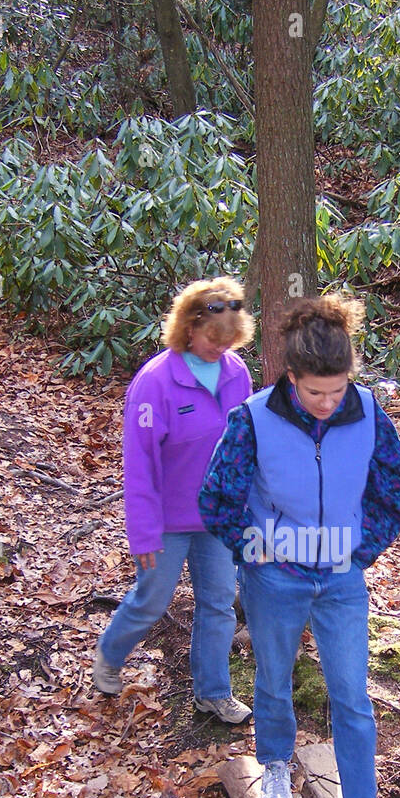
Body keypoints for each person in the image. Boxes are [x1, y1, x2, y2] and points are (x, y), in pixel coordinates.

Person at [199, 295, 400, 798]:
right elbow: (217, 499)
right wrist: (255, 548)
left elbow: (392, 493)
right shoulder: (252, 419)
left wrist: (359, 551)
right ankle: (274, 768)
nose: (326, 402)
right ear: (291, 377)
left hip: (341, 578)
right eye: (314, 392)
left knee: (352, 694)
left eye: (336, 391)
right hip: (275, 578)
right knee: (273, 679)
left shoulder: (369, 414)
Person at [93, 277, 254, 725]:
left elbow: (244, 446)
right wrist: (142, 532)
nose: (219, 348)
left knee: (219, 602)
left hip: (217, 515)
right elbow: (140, 465)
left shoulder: (237, 372)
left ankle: (213, 691)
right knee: (152, 598)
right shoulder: (155, 382)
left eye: (228, 340)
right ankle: (109, 654)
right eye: (211, 338)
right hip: (165, 519)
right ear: (187, 328)